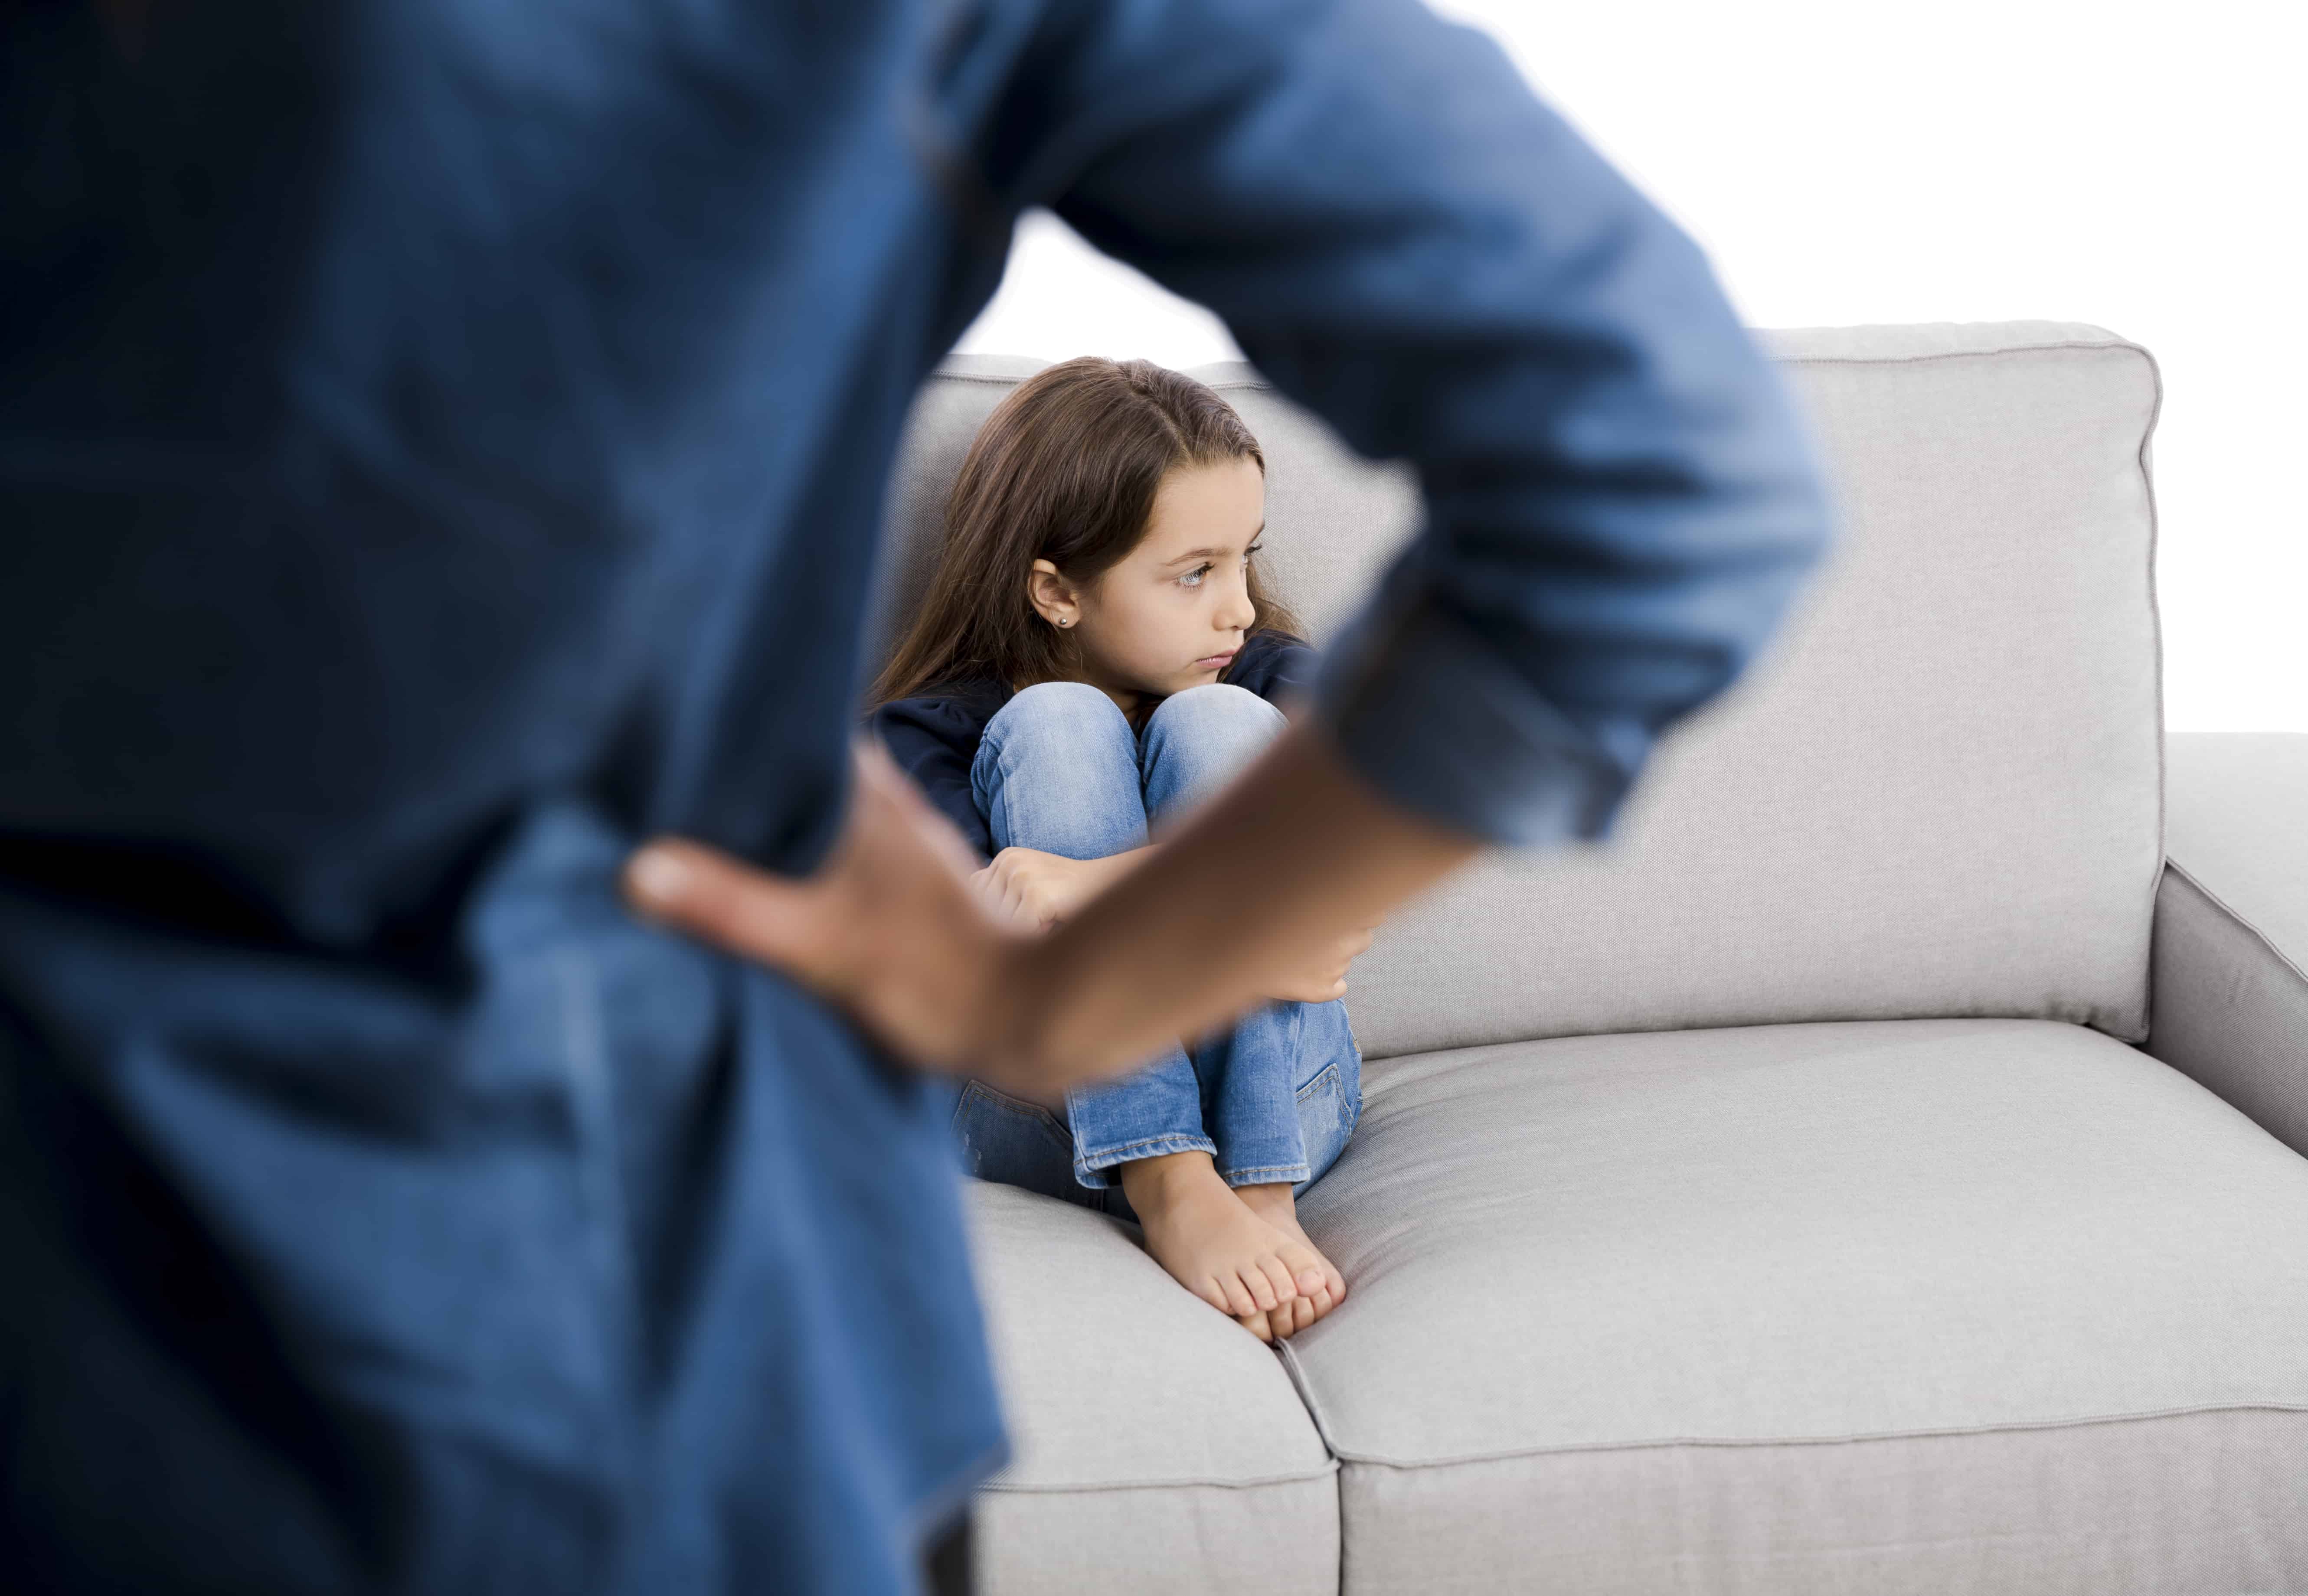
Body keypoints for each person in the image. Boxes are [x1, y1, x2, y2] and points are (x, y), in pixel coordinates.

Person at [0, 1, 1835, 1593]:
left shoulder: (1237, 686)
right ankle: (1180, 1174)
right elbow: (1666, 468)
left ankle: (1214, 1169)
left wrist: (1106, 968)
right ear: (1054, 575)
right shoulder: (962, 711)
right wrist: (1064, 982)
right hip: (623, 1328)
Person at [867, 357, 1365, 1342]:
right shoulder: (923, 738)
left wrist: (1086, 887)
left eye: (1242, 559)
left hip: (1280, 1102)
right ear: (1057, 591)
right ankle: (1172, 1179)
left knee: (1216, 725)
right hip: (1047, 1117)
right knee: (1057, 720)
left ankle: (1261, 1189)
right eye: (1194, 573)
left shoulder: (1271, 678)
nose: (1237, 608)